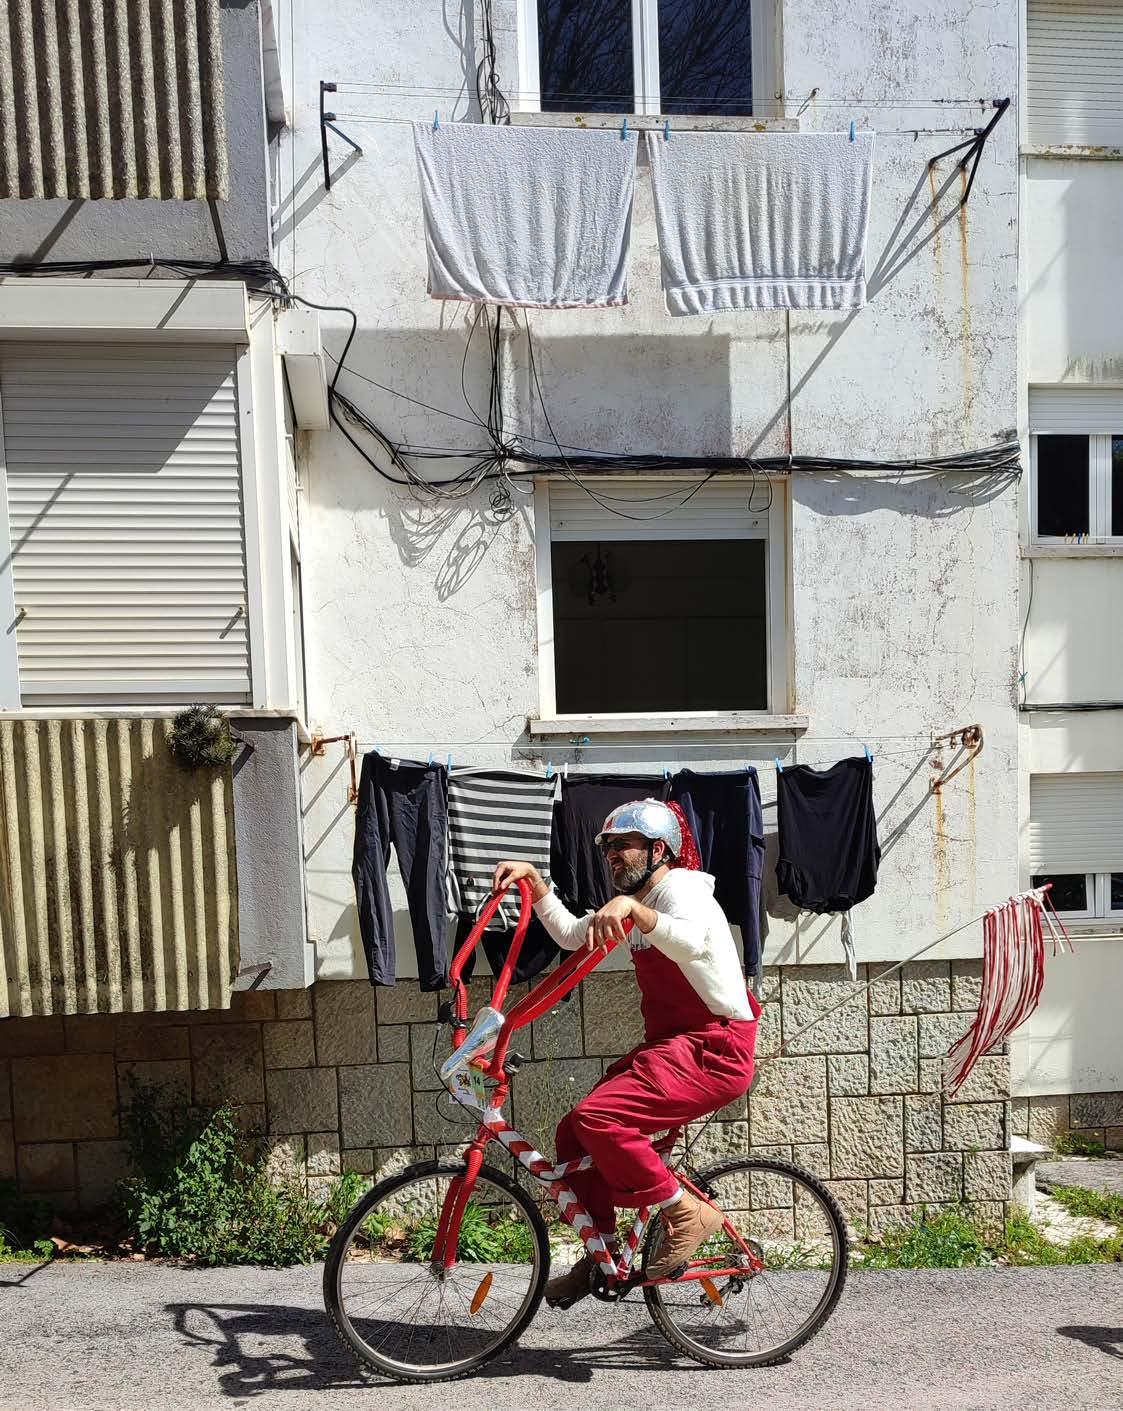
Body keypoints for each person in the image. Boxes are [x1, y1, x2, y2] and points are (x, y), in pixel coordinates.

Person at [492, 798, 761, 1310]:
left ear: (659, 849)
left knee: (600, 1119)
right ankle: (603, 1252)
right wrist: (536, 883)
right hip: (673, 1048)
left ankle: (686, 1213)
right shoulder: (638, 901)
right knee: (574, 1132)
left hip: (715, 1047)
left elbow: (691, 942)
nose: (612, 854)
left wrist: (635, 911)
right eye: (608, 847)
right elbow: (571, 935)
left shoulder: (682, 888)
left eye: (624, 845)